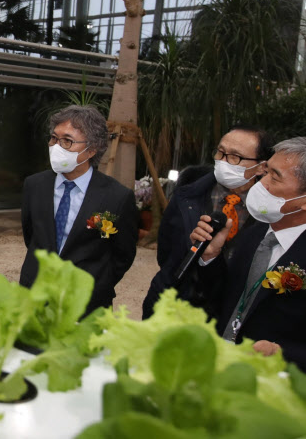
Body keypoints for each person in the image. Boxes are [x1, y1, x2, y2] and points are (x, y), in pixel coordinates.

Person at [191, 137, 306, 370]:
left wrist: (281, 354)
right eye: (265, 172)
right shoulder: (253, 233)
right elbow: (224, 298)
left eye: (275, 177)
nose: (261, 183)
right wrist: (210, 256)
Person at [142, 125, 273, 319]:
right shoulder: (187, 195)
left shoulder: (270, 213)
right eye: (220, 152)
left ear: (262, 166)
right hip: (168, 307)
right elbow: (166, 251)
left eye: (235, 157)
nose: (223, 161)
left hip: (223, 318)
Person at [19, 105, 138, 316]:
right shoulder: (34, 185)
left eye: (67, 141)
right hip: (35, 296)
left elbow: (123, 255)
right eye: (54, 138)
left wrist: (95, 283)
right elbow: (32, 236)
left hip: (87, 304)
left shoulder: (117, 197)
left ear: (92, 149)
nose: (56, 146)